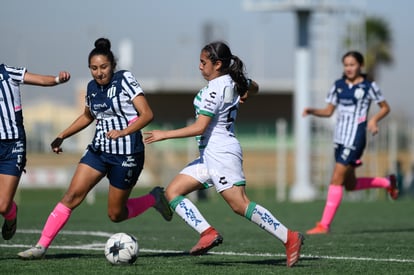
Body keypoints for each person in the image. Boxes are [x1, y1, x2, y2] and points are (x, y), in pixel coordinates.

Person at [144, 41, 304, 268]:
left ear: (217, 64)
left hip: (221, 152)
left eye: (203, 62)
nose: (199, 67)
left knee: (239, 205)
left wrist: (164, 134)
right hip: (209, 154)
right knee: (173, 192)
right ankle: (207, 232)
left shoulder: (215, 89)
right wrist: (246, 90)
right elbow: (254, 86)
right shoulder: (234, 81)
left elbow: (199, 128)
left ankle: (289, 237)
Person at [18, 38, 172, 259]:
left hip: (127, 155)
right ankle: (40, 247)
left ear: (112, 66)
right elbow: (88, 116)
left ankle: (153, 198)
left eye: (103, 67)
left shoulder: (125, 79)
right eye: (94, 68)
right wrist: (62, 135)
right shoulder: (92, 88)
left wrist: (123, 132)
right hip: (98, 151)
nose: (99, 73)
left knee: (115, 214)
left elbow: (147, 114)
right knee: (71, 196)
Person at [303, 51, 398, 235]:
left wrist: (373, 120)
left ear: (360, 66)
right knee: (350, 185)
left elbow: (385, 107)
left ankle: (324, 225)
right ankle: (387, 182)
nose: (349, 68)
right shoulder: (338, 86)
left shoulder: (369, 86)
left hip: (356, 137)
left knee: (336, 178)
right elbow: (329, 111)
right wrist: (313, 111)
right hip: (339, 138)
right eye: (346, 65)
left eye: (352, 64)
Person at [0, 64, 70, 242]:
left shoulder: (7, 72)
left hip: (13, 144)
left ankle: (11, 214)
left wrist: (56, 79)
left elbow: (40, 79)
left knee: (3, 206)